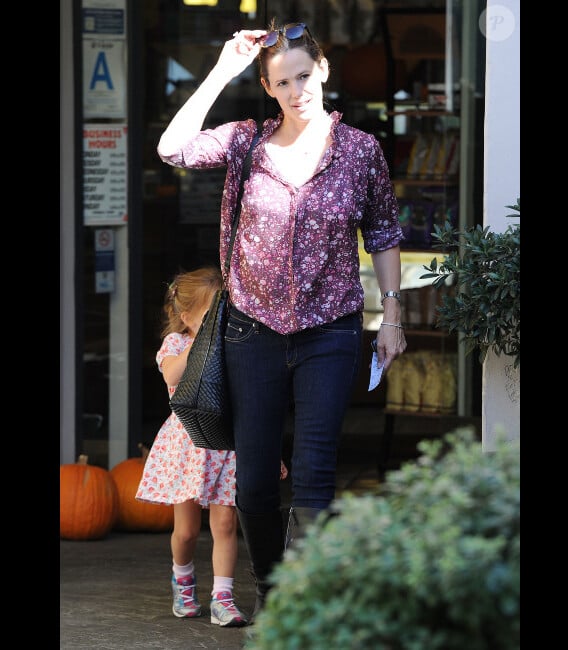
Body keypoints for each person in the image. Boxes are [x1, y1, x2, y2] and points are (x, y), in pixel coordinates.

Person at [156, 20, 407, 622]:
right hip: (252, 331)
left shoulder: (360, 152)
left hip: (331, 329)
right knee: (257, 482)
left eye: (303, 76)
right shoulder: (246, 143)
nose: (297, 91)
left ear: (323, 70)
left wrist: (393, 313)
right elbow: (172, 148)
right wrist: (223, 69)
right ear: (268, 88)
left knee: (317, 472)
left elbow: (385, 235)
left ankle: (304, 601)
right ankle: (271, 588)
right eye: (281, 82)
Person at [135, 267, 279, 628]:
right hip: (188, 443)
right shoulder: (177, 345)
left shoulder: (234, 349)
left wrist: (267, 451)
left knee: (226, 523)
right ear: (186, 318)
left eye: (224, 313)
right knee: (185, 531)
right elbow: (171, 376)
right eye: (211, 315)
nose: (220, 322)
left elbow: (249, 402)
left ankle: (223, 597)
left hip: (225, 443)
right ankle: (182, 581)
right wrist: (201, 341)